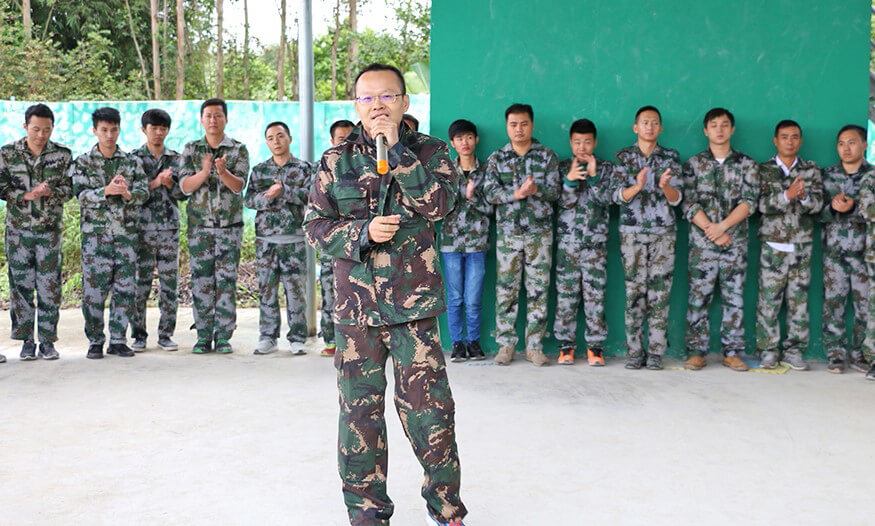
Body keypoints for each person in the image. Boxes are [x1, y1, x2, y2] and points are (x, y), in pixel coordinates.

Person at [304, 63, 467, 526]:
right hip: (356, 313)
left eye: (387, 96)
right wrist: (362, 233)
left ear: (405, 102)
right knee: (360, 418)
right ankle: (367, 514)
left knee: (431, 413)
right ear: (356, 105)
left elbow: (440, 205)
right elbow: (315, 227)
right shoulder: (335, 161)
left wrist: (397, 152)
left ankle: (446, 510)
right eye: (367, 98)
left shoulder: (431, 151)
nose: (377, 106)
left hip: (413, 309)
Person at [483, 103, 561, 367]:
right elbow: (489, 193)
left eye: (524, 124)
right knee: (506, 289)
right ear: (507, 127)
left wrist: (536, 190)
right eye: (514, 124)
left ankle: (534, 347)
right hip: (509, 234)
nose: (519, 129)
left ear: (532, 125)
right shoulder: (497, 158)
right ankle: (506, 345)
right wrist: (516, 193)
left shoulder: (547, 157)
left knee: (539, 290)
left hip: (540, 234)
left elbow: (556, 192)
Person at [681, 108, 758, 372]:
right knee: (698, 297)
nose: (719, 130)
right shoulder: (693, 164)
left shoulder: (747, 164)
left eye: (725, 125)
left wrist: (723, 228)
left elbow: (749, 202)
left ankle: (732, 352)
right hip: (702, 246)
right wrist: (710, 230)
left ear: (732, 129)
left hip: (734, 244)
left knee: (734, 298)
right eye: (714, 125)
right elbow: (688, 202)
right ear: (705, 130)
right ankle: (696, 351)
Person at [70, 107, 148, 359]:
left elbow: (144, 193)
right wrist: (105, 191)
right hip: (96, 238)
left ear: (119, 129)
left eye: (114, 129)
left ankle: (118, 340)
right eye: (104, 130)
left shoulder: (131, 162)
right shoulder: (83, 162)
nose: (109, 135)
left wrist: (127, 194)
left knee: (125, 290)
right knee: (94, 292)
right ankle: (95, 340)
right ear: (95, 131)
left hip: (126, 236)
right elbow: (80, 195)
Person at [612, 105, 683, 370]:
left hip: (663, 234)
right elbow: (616, 196)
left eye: (654, 123)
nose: (649, 127)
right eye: (644, 122)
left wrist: (665, 187)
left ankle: (655, 352)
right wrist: (637, 186)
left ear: (660, 128)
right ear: (636, 127)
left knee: (660, 294)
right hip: (632, 235)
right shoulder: (624, 157)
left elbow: (678, 199)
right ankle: (634, 352)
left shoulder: (671, 157)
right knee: (634, 293)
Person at [0, 103, 72, 361]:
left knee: (49, 287)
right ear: (25, 127)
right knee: (21, 287)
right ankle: (26, 341)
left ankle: (48, 341)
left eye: (46, 130)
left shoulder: (62, 155)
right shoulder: (8, 153)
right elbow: (1, 186)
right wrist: (25, 195)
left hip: (49, 233)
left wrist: (52, 192)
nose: (41, 135)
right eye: (36, 129)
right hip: (18, 232)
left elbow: (71, 188)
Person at [178, 98, 249, 354]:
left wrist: (222, 172)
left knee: (226, 281)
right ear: (201, 119)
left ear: (225, 119)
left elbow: (239, 186)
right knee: (201, 281)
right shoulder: (191, 149)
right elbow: (184, 187)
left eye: (218, 115)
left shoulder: (238, 149)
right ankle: (203, 335)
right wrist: (205, 170)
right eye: (208, 115)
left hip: (230, 227)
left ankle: (223, 336)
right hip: (200, 228)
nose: (212, 120)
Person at [756, 119, 823, 370]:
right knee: (769, 300)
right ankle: (768, 350)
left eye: (794, 137)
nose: (790, 141)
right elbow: (759, 205)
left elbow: (819, 205)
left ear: (800, 141)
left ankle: (794, 351)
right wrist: (786, 196)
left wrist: (804, 197)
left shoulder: (811, 170)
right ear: (775, 141)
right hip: (773, 245)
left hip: (802, 244)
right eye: (784, 137)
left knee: (798, 301)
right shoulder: (763, 170)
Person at [244, 121, 312, 355]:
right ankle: (268, 337)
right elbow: (249, 200)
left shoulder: (304, 168)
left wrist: (285, 191)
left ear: (289, 138)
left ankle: (297, 337)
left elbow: (311, 197)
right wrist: (268, 196)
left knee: (296, 292)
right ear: (266, 142)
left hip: (294, 239)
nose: (276, 141)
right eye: (271, 138)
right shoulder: (260, 170)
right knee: (267, 290)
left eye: (280, 136)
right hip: (266, 241)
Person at [553, 118, 613, 366]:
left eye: (587, 142)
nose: (582, 147)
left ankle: (595, 348)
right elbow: (559, 203)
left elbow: (608, 200)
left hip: (595, 246)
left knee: (595, 298)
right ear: (571, 142)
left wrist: (594, 177)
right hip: (567, 246)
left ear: (595, 143)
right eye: (577, 142)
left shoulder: (606, 168)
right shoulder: (561, 167)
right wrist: (569, 181)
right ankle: (565, 347)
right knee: (566, 298)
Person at [819, 124, 872, 373]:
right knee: (834, 304)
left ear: (865, 145)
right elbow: (813, 213)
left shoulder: (872, 176)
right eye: (841, 143)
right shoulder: (826, 175)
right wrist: (832, 208)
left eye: (852, 142)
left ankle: (861, 354)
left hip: (866, 253)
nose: (846, 148)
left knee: (865, 307)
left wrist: (854, 207)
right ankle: (835, 354)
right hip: (834, 253)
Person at [130, 109, 184, 352]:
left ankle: (166, 334)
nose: (159, 133)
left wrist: (170, 183)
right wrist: (156, 182)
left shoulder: (177, 159)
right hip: (141, 229)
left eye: (163, 128)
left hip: (169, 230)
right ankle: (138, 335)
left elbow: (183, 194)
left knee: (169, 285)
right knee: (139, 285)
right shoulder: (133, 159)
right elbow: (131, 195)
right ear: (144, 130)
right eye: (154, 128)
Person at [440, 119, 490, 362]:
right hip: (451, 243)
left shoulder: (487, 171)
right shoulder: (445, 171)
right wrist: (460, 196)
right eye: (459, 138)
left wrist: (473, 198)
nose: (465, 142)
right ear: (452, 143)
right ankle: (457, 343)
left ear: (476, 139)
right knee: (455, 298)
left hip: (477, 243)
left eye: (469, 137)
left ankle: (473, 342)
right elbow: (438, 207)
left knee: (473, 299)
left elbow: (493, 206)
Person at [319, 119, 354, 358]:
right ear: (332, 142)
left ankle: (352, 340)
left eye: (351, 138)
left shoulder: (366, 167)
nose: (347, 144)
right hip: (332, 244)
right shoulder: (323, 168)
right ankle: (330, 339)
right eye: (342, 139)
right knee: (328, 293)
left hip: (359, 243)